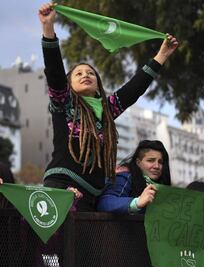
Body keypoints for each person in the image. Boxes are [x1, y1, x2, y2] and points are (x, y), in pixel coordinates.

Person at [39, 3, 178, 211]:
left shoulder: (106, 110)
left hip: (92, 196)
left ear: (98, 85)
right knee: (59, 244)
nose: (85, 75)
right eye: (78, 74)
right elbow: (55, 72)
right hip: (62, 187)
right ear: (69, 86)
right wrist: (48, 30)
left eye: (90, 73)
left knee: (83, 245)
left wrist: (162, 56)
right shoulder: (63, 103)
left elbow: (133, 89)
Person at [97, 140, 171, 214]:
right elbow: (105, 202)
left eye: (160, 162)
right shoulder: (125, 175)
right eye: (150, 160)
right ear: (138, 162)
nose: (157, 166)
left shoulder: (162, 186)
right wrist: (137, 202)